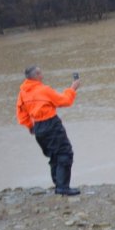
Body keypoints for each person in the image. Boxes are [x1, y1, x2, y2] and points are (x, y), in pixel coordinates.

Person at [16, 66, 81, 195]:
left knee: (53, 156)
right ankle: (63, 187)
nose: (42, 75)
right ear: (36, 75)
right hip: (51, 124)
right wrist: (73, 88)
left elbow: (21, 112)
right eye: (40, 73)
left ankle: (59, 184)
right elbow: (65, 101)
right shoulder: (44, 90)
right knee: (65, 153)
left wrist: (30, 126)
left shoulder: (23, 92)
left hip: (38, 126)